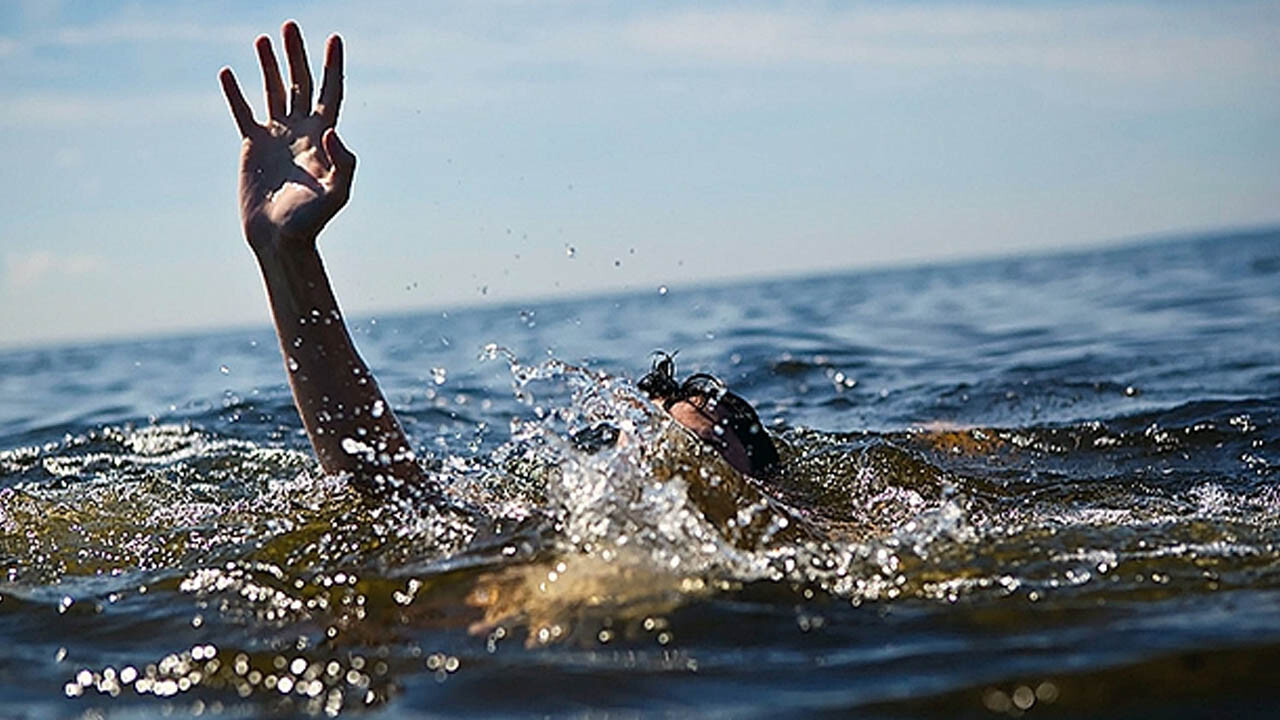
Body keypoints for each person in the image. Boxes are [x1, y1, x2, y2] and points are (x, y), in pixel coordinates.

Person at [218, 22, 778, 498]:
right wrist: (285, 256)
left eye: (696, 448)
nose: (663, 467)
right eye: (645, 448)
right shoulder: (553, 543)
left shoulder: (810, 548)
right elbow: (389, 495)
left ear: (767, 486)